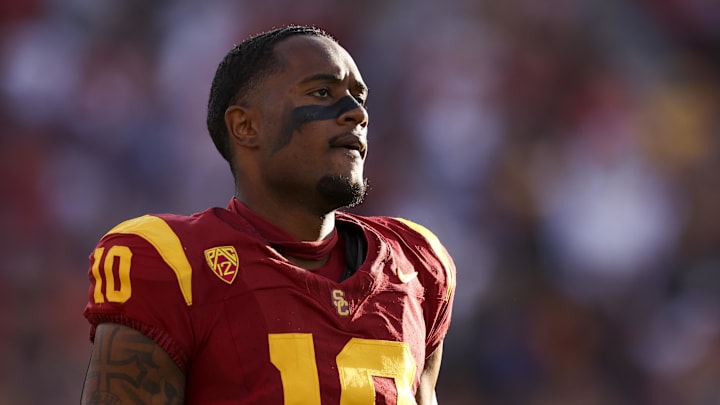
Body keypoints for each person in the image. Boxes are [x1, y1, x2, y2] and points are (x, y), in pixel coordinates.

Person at [81, 25, 456, 405]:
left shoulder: (415, 263)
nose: (356, 114)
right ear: (246, 126)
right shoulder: (173, 261)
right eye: (322, 92)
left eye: (359, 98)